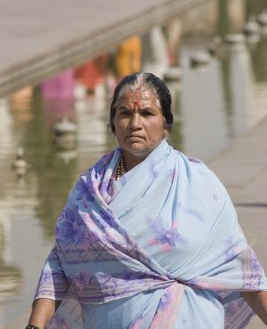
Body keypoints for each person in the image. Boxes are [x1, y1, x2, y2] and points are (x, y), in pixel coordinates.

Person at [26, 72, 267, 329]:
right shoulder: (89, 191)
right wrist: (34, 325)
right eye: (125, 113)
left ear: (166, 124)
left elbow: (242, 270)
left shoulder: (196, 184)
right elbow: (61, 262)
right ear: (112, 123)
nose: (135, 124)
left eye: (148, 114)